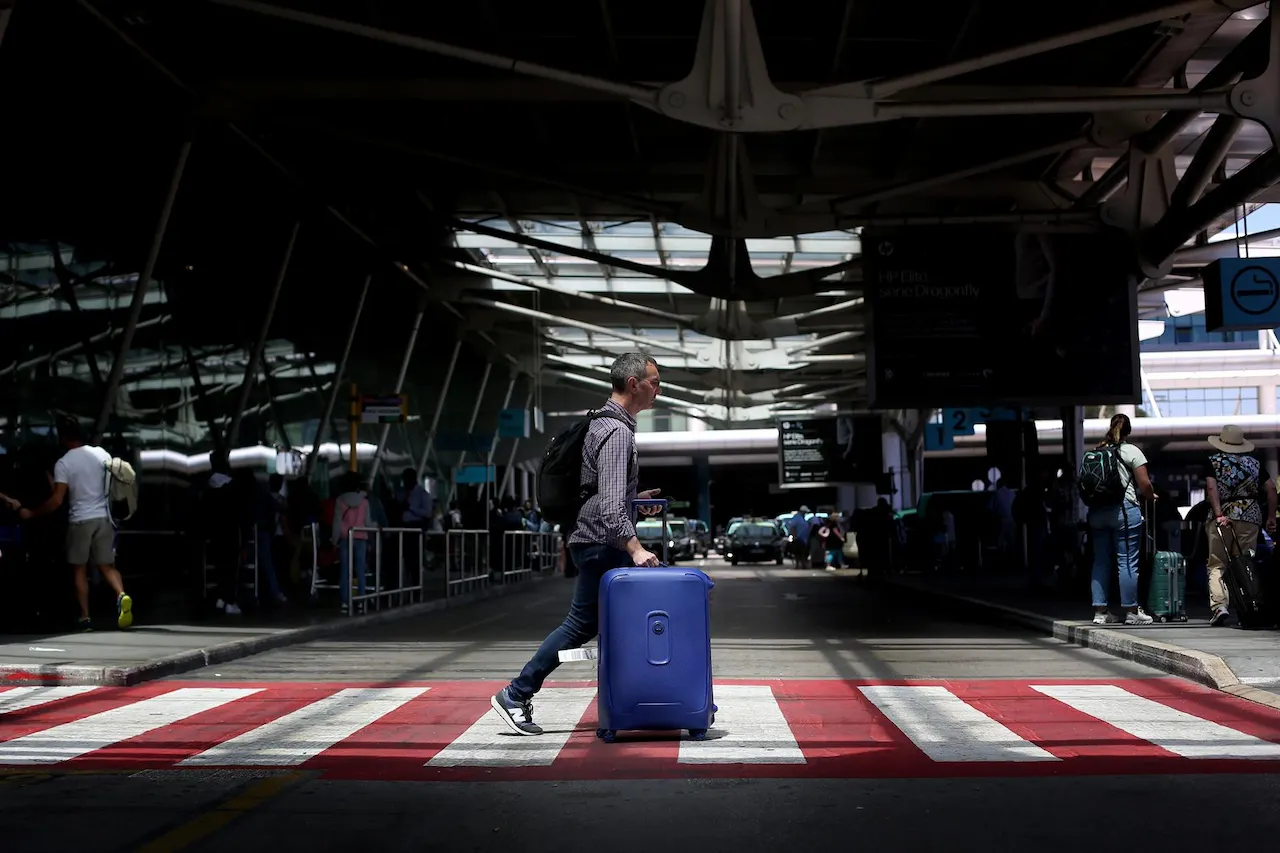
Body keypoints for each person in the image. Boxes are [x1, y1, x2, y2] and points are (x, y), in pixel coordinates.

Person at [490, 352, 663, 735]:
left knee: (612, 623)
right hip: (602, 542)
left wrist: (636, 500)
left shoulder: (602, 424)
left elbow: (604, 493)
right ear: (633, 384)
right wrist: (635, 547)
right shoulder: (617, 433)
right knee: (580, 624)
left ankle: (629, 699)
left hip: (592, 537)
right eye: (654, 382)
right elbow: (608, 503)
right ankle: (517, 693)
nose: (659, 390)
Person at [18, 416, 133, 630]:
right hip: (103, 518)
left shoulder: (64, 463)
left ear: (63, 438)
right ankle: (121, 594)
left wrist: (32, 513)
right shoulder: (101, 454)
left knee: (79, 570)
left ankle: (85, 617)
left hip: (80, 520)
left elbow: (57, 500)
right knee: (107, 566)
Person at [1203, 424, 1277, 626]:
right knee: (1246, 563)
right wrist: (1271, 516)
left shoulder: (1213, 462)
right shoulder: (1254, 463)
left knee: (1217, 563)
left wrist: (1219, 514)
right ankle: (1250, 604)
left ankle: (1219, 607)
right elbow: (1271, 489)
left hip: (1222, 517)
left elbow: (1212, 487)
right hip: (1250, 517)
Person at [1086, 413, 1155, 626]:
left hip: (1097, 512)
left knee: (1101, 562)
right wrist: (1151, 496)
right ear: (1128, 431)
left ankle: (1100, 612)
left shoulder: (1097, 452)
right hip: (1124, 511)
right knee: (1127, 562)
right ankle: (1132, 612)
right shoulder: (1131, 451)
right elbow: (1144, 484)